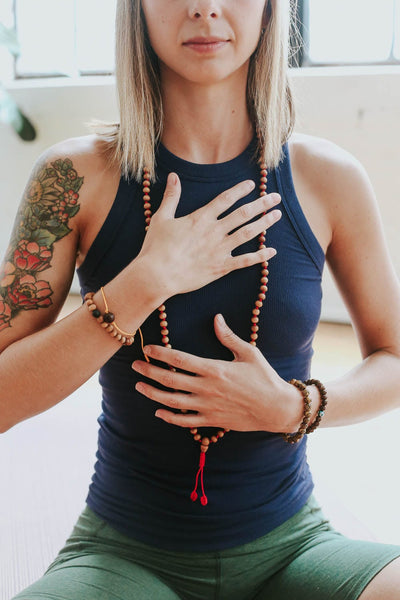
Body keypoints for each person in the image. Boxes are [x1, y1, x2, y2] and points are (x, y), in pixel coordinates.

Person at [2, 0, 400, 598]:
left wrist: (295, 408)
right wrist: (144, 282)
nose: (205, 9)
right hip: (124, 557)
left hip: (295, 549)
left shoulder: (329, 177)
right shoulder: (72, 179)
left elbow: (394, 356)